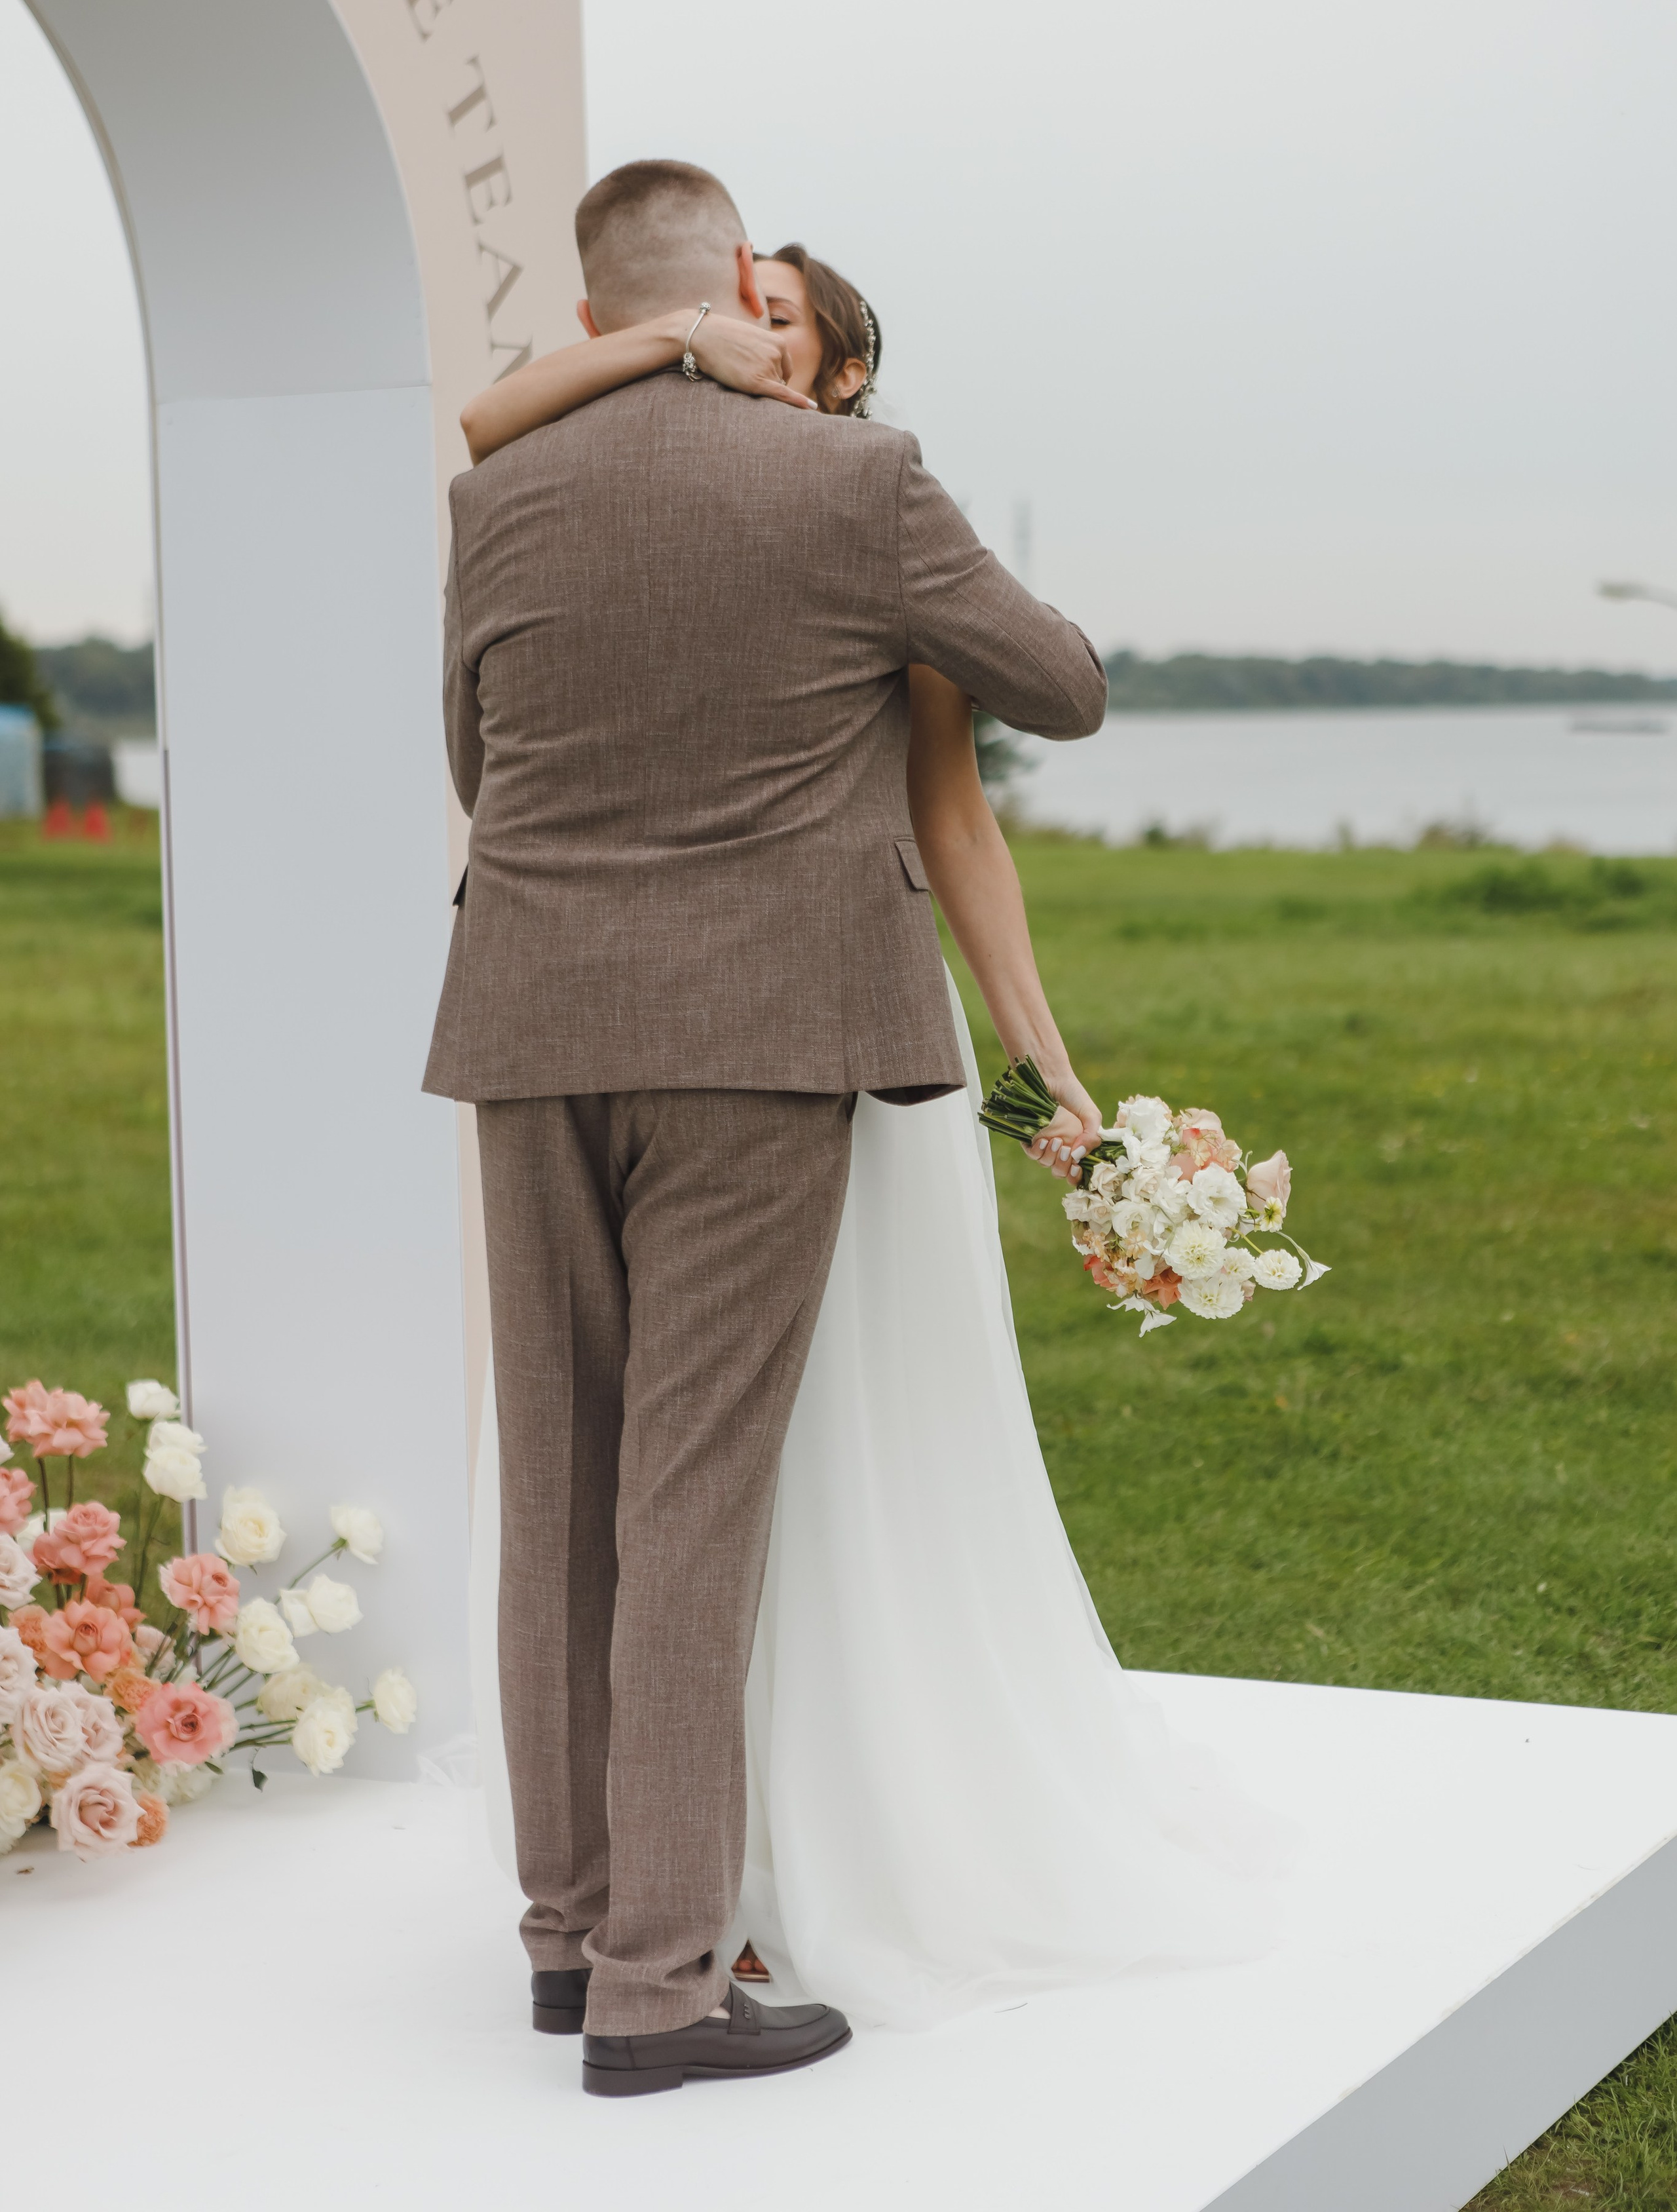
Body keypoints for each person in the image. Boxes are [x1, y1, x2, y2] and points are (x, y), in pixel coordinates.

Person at [453, 206, 1290, 2048]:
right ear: (665, 324)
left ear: (833, 366)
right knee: (684, 1499)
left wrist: (1051, 1066)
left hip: (572, 1023)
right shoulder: (846, 498)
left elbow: (951, 820)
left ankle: (577, 1932)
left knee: (576, 1486)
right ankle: (662, 1973)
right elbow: (1061, 690)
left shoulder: (532, 491)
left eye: (777, 320)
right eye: (723, 311)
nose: (741, 338)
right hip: (764, 1039)